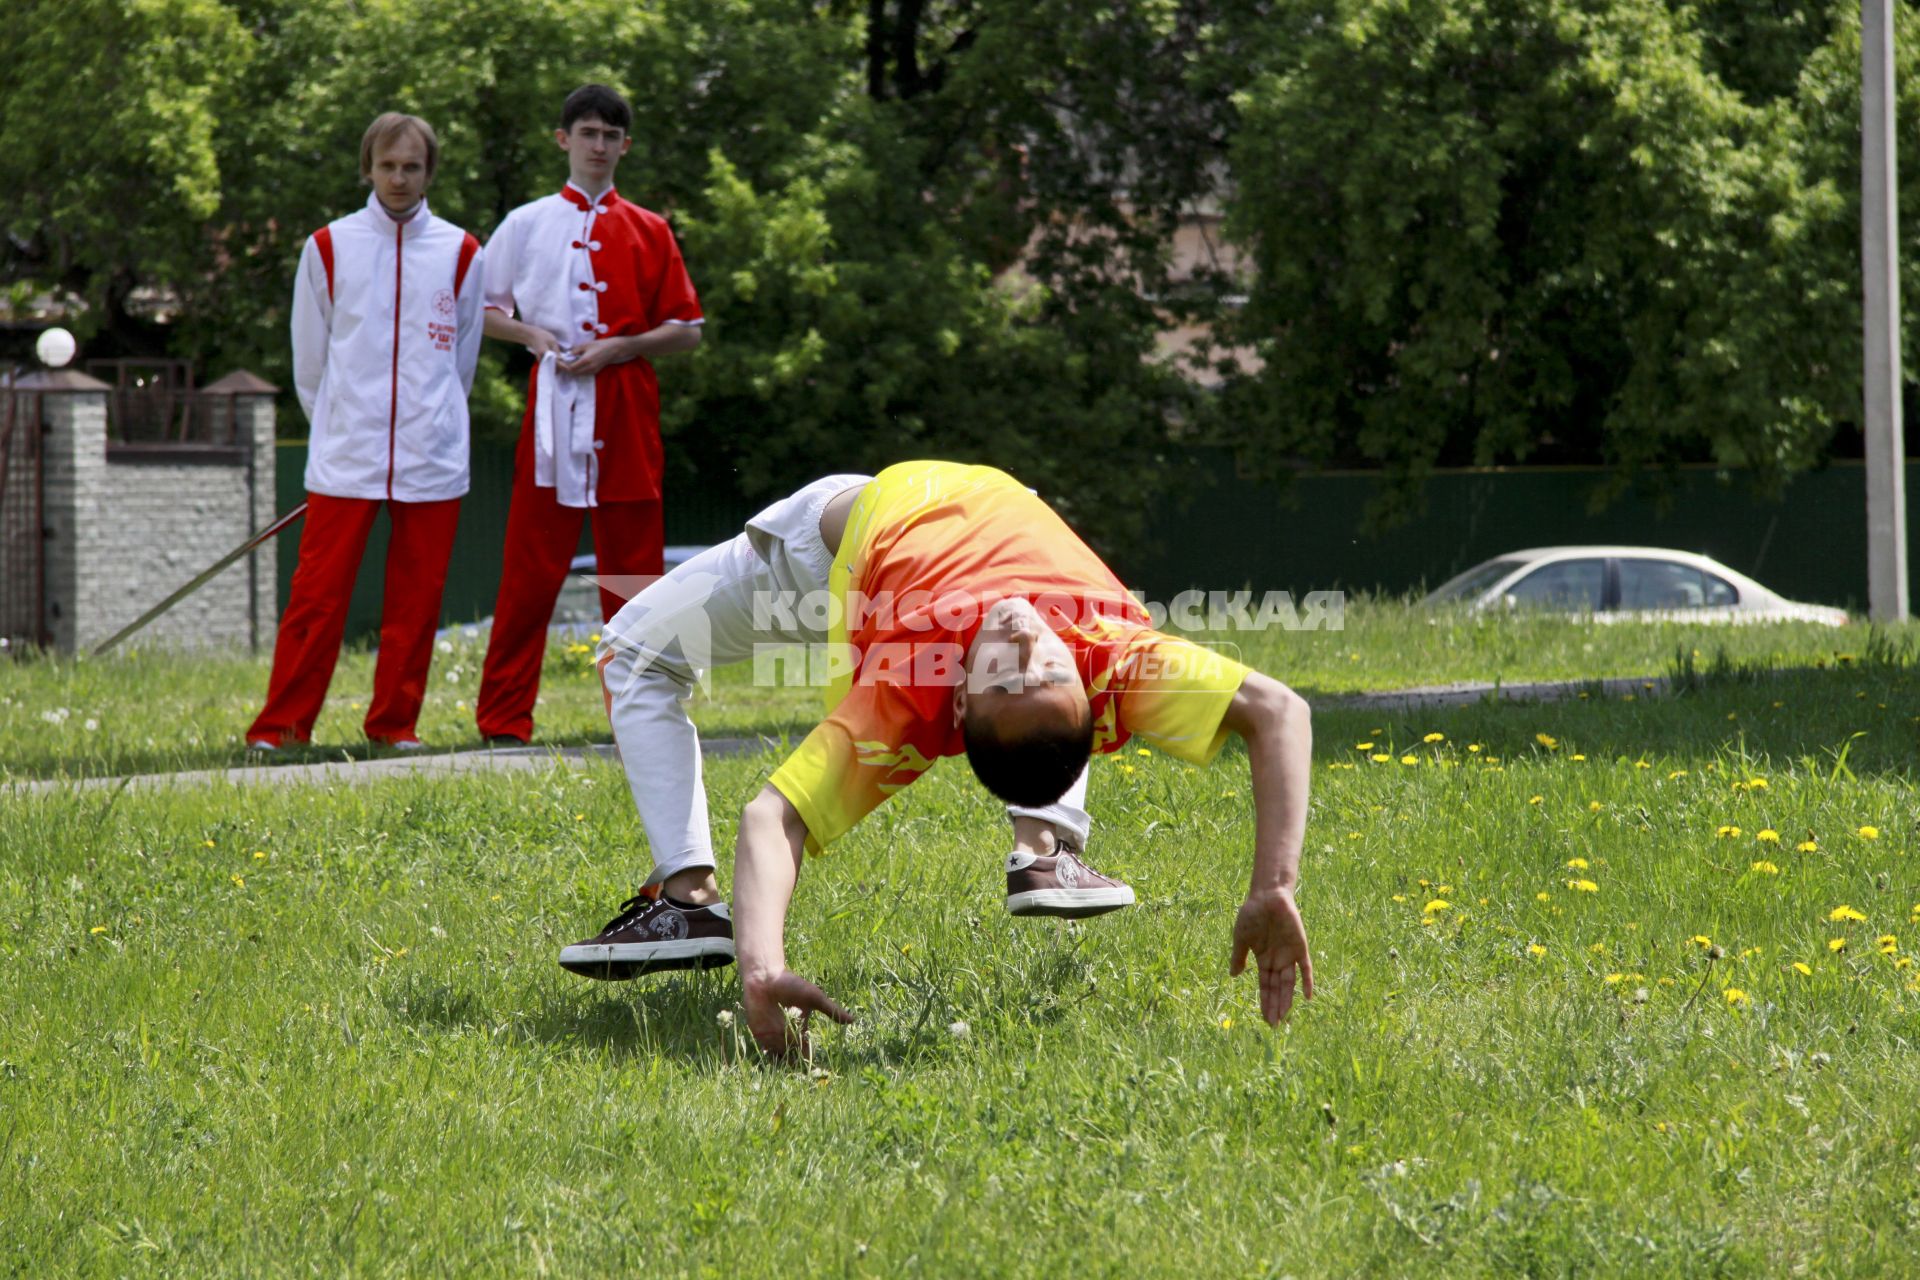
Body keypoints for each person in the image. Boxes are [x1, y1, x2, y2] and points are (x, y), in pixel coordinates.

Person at [561, 461, 1315, 1055]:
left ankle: (686, 903)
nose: (1022, 642)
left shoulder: (908, 686)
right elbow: (1279, 712)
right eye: (1046, 669)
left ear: (958, 700)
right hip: (985, 515)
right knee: (1053, 720)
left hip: (826, 554)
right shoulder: (1108, 655)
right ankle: (1044, 843)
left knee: (633, 651)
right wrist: (1274, 887)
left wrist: (761, 966)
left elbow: (772, 817)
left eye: (1001, 676)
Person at [474, 83, 704, 745]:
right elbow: (485, 312)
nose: (598, 146)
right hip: (552, 407)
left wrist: (624, 346)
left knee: (633, 573)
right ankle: (502, 720)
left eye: (610, 136)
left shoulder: (650, 228)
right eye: (588, 134)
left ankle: (640, 720)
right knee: (529, 568)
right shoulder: (523, 223)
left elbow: (687, 328)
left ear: (625, 146)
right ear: (563, 139)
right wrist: (534, 338)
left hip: (627, 406)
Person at [247, 112, 483, 751]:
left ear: (429, 171)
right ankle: (281, 729)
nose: (399, 178)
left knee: (415, 604)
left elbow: (460, 359)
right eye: (387, 166)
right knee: (316, 601)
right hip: (345, 455)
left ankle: (393, 726)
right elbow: (310, 363)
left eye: (411, 166)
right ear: (368, 168)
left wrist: (431, 420)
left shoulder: (462, 252)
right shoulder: (328, 246)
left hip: (431, 458)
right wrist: (339, 423)